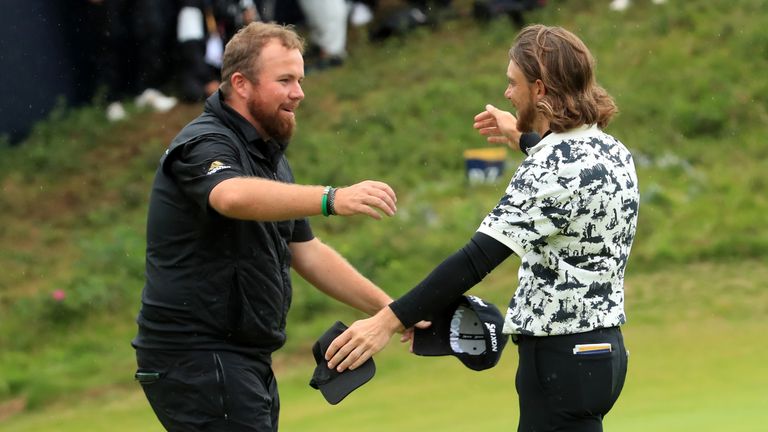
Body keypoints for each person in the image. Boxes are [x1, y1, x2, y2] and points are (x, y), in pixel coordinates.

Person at [325, 24, 640, 431]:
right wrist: (522, 136)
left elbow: (476, 259)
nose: (507, 93)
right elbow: (568, 174)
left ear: (540, 90)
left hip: (559, 359)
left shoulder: (550, 169)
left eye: (513, 83)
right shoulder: (610, 150)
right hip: (602, 353)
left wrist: (386, 321)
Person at [131, 21, 401, 432]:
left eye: (300, 79)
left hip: (239, 359)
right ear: (240, 83)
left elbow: (306, 252)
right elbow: (231, 196)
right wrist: (332, 198)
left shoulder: (265, 155)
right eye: (285, 80)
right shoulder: (205, 141)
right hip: (199, 356)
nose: (299, 93)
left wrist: (393, 311)